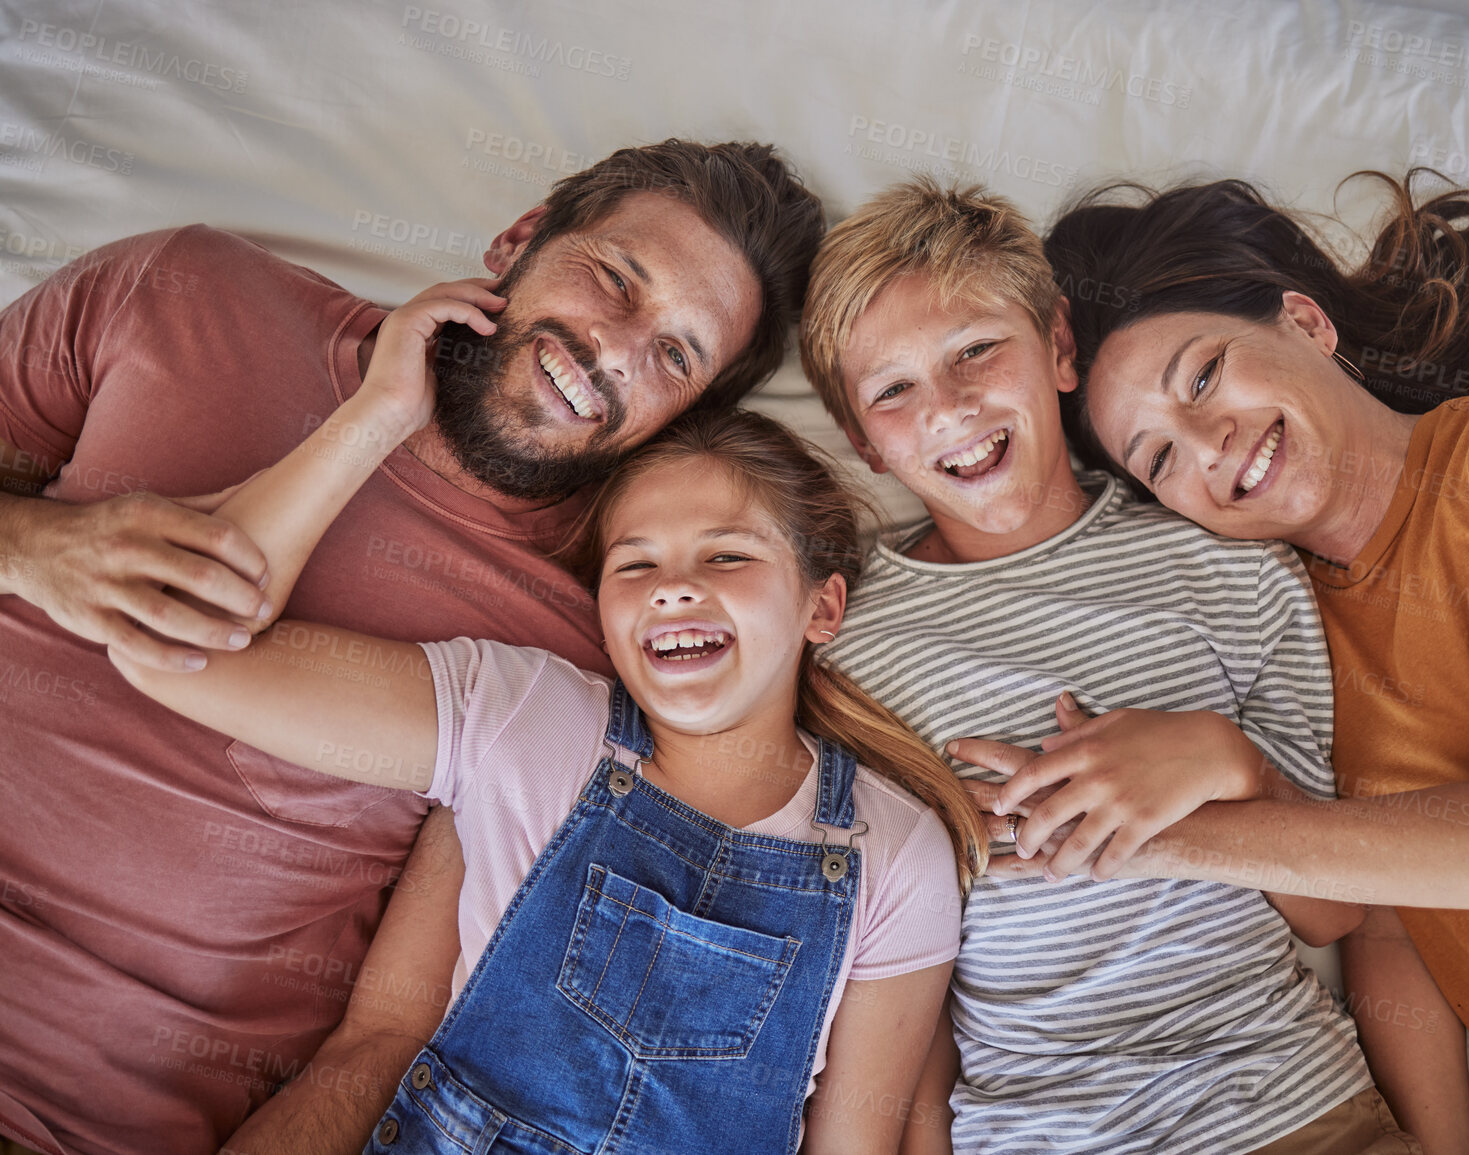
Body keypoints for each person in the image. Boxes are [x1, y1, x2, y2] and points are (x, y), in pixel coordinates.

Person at [0, 139, 824, 1154]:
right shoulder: (186, 291)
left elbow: (399, 1022)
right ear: (519, 240)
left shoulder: (599, 634)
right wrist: (31, 545)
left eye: (675, 356)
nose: (616, 349)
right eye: (614, 279)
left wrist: (386, 413)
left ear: (676, 422)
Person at [107, 278, 986, 1154]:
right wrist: (380, 411)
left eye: (727, 554)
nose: (676, 584)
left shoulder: (894, 850)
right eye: (634, 566)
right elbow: (173, 646)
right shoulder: (529, 716)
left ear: (820, 610)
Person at [964, 170, 1469, 1151]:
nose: (1206, 443)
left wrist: (1155, 842)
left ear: (1305, 322)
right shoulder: (1291, 624)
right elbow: (1397, 926)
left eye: (1203, 375)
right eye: (1157, 459)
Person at [796, 177, 1427, 1153]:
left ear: (1056, 344)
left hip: (1290, 1110)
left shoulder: (1229, 563)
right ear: (860, 443)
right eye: (893, 391)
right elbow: (887, 985)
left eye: (975, 351)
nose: (950, 407)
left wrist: (1232, 765)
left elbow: (1335, 910)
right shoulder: (843, 647)